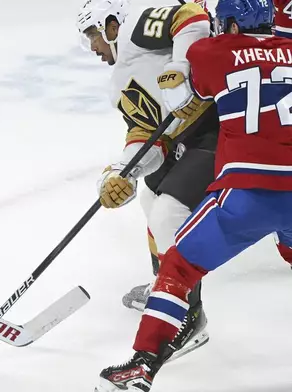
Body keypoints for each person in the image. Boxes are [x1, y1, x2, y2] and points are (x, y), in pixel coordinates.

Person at [95, 0, 291, 389]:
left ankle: (145, 361)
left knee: (179, 266)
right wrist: (123, 170)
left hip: (247, 193)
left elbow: (191, 37)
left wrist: (179, 70)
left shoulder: (207, 52)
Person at [76, 0, 215, 354]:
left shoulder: (137, 27)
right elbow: (147, 136)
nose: (93, 46)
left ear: (111, 24)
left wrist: (180, 68)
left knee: (168, 213)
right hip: (189, 138)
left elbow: (192, 18)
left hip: (219, 125)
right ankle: (164, 287)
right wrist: (122, 173)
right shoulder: (120, 82)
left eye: (93, 34)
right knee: (149, 196)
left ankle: (189, 315)